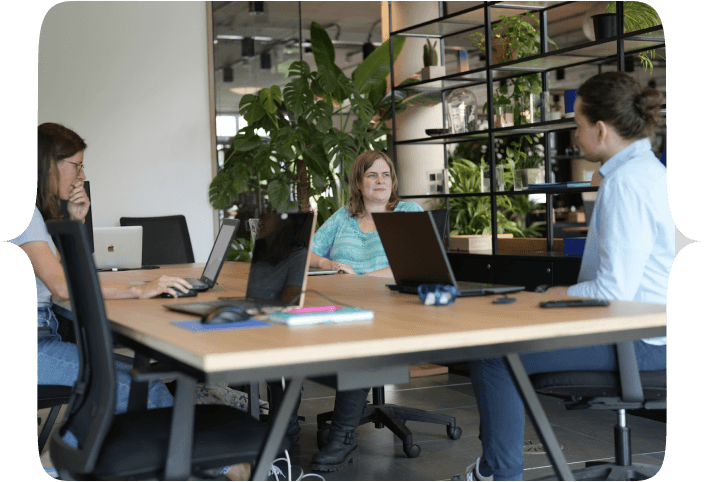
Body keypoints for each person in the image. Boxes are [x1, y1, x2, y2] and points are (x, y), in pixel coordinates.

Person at [453, 72, 673, 481]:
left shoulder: (626, 184)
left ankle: (499, 475)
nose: (575, 134)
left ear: (602, 130)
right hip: (658, 332)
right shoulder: (651, 173)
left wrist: (556, 293)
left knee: (495, 352)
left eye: (578, 124)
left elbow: (614, 290)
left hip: (639, 342)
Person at [17, 123, 246, 480]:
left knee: (135, 381)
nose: (82, 174)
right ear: (49, 164)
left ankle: (53, 464)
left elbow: (67, 275)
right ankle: (228, 466)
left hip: (39, 337)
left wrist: (73, 220)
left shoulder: (34, 214)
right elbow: (63, 287)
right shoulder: (23, 214)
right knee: (137, 385)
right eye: (76, 165)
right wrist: (138, 290)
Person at [303, 150, 423, 471]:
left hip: (393, 307)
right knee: (289, 328)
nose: (380, 181)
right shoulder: (344, 216)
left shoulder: (407, 211)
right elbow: (308, 252)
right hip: (344, 306)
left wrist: (361, 280)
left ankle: (342, 436)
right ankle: (283, 426)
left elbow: (410, 266)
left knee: (359, 341)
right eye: (372, 175)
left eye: (385, 175)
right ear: (358, 181)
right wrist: (331, 264)